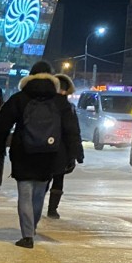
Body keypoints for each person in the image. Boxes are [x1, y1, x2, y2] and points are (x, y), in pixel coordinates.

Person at [0, 61, 83, 248]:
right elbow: (71, 129)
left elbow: (1, 125)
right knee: (39, 194)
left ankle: (27, 235)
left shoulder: (19, 99)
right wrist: (75, 153)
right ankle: (33, 227)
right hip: (49, 154)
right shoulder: (59, 101)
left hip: (23, 153)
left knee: (25, 194)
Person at [46, 73, 83, 218]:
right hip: (62, 150)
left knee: (43, 179)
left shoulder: (43, 104)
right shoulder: (68, 108)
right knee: (58, 179)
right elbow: (73, 132)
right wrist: (77, 154)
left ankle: (36, 204)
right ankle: (52, 209)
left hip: (43, 148)